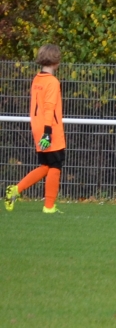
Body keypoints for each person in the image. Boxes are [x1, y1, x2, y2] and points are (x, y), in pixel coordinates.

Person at [7, 44, 66, 214]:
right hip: (49, 128)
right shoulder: (52, 82)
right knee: (55, 165)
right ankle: (49, 206)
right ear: (56, 61)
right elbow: (49, 107)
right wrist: (48, 132)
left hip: (38, 126)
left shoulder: (37, 79)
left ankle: (15, 190)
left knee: (46, 165)